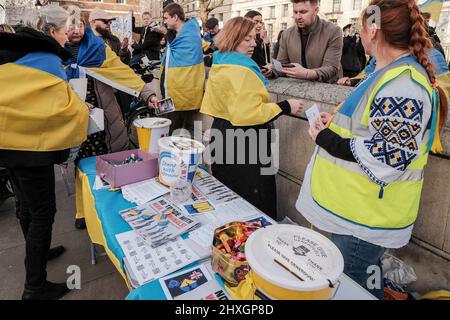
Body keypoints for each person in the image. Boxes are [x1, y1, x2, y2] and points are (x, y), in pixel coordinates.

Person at [296, 0, 448, 299]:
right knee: (366, 282)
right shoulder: (392, 74)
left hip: (365, 216)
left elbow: (390, 156)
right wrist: (333, 127)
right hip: (360, 209)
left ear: (375, 30)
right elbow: (369, 129)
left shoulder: (403, 83)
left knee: (355, 288)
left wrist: (327, 139)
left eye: (362, 26)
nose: (359, 33)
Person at [0, 5, 90, 300]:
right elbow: (64, 110)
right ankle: (34, 288)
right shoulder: (47, 60)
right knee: (43, 213)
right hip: (30, 148)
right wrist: (82, 109)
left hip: (7, 141)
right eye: (64, 32)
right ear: (51, 32)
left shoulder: (14, 52)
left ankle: (36, 251)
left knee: (25, 207)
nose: (67, 38)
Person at [65, 8, 160, 230]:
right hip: (75, 118)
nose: (75, 29)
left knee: (110, 161)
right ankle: (83, 211)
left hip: (105, 116)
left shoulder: (99, 48)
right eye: (70, 25)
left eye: (78, 24)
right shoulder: (57, 53)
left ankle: (112, 211)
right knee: (82, 166)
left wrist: (149, 94)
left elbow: (123, 72)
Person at [200, 17, 304, 219]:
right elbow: (249, 114)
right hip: (247, 142)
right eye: (247, 39)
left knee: (227, 194)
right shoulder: (243, 69)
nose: (254, 43)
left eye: (254, 38)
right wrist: (285, 106)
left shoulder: (220, 62)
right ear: (234, 37)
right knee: (255, 200)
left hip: (221, 132)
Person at [161, 3, 205, 133]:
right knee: (170, 127)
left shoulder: (190, 36)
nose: (164, 22)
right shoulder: (174, 35)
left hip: (182, 93)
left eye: (166, 18)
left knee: (179, 131)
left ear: (175, 17)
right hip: (169, 91)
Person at [276, 0, 343, 83]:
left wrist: (307, 73)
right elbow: (281, 65)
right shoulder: (286, 34)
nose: (298, 17)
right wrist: (271, 72)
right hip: (297, 88)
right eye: (295, 12)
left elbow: (331, 67)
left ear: (316, 11)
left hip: (326, 88)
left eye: (303, 12)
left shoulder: (333, 31)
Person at [244, 11, 271, 78]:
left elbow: (265, 62)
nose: (259, 25)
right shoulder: (246, 41)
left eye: (260, 22)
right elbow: (262, 63)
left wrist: (266, 44)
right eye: (256, 22)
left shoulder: (258, 40)